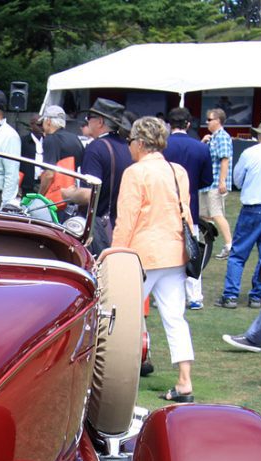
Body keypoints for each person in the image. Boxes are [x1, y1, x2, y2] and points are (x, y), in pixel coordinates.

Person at [112, 116, 197, 404]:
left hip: (143, 254)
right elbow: (186, 212)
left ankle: (119, 379)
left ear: (138, 143)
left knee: (123, 318)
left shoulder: (135, 173)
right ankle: (185, 380)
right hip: (174, 252)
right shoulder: (178, 171)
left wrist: (114, 255)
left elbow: (126, 220)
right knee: (175, 318)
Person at [215, 119, 261, 310]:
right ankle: (257, 295)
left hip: (252, 208)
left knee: (238, 254)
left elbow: (238, 180)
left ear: (259, 135)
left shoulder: (249, 153)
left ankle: (231, 295)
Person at [59, 99, 132, 248]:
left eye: (89, 118)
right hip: (123, 226)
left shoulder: (96, 147)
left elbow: (89, 194)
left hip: (100, 228)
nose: (87, 122)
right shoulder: (127, 147)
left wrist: (69, 194)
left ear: (100, 122)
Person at [162, 107, 213, 310]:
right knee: (192, 251)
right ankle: (194, 295)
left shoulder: (162, 147)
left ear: (169, 124)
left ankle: (165, 292)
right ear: (188, 125)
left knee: (165, 251)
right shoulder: (200, 148)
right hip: (189, 204)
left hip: (166, 205)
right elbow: (207, 179)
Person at [200, 108, 233, 258]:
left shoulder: (222, 137)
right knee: (204, 214)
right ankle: (208, 241)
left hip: (215, 183)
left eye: (209, 119)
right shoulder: (213, 137)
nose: (207, 122)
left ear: (218, 121)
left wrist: (222, 181)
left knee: (217, 213)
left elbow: (224, 159)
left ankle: (229, 245)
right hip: (208, 183)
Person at [36, 105, 83, 207]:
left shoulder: (51, 139)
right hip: (75, 196)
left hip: (57, 199)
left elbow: (49, 174)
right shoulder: (75, 138)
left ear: (48, 121)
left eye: (43, 122)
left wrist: (39, 196)